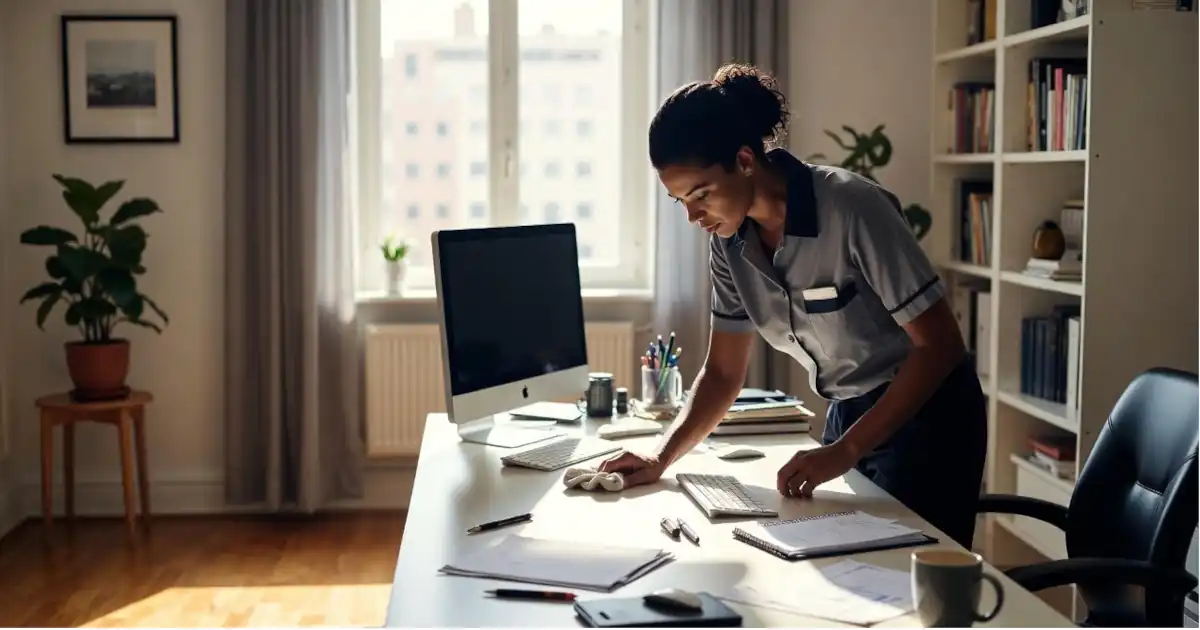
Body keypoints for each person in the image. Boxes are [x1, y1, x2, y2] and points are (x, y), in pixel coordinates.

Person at [597, 62, 987, 549]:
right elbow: (722, 372)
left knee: (911, 571)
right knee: (847, 563)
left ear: (744, 161)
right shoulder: (729, 243)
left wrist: (846, 449)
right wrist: (660, 457)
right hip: (848, 413)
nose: (694, 216)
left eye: (701, 195)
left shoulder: (852, 207)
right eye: (681, 202)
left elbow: (940, 345)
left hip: (927, 416)